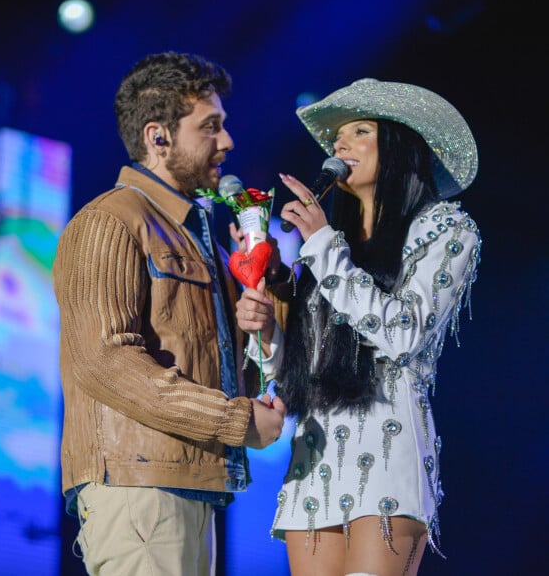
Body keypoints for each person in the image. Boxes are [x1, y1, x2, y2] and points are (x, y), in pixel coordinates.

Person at [52, 51, 287, 576]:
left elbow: (220, 368)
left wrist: (263, 319)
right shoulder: (108, 221)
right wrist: (236, 419)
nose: (227, 142)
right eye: (211, 127)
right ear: (158, 137)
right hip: (138, 488)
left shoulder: (193, 236)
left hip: (186, 482)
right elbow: (105, 361)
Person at [236, 78, 481, 576]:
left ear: (397, 145)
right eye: (337, 137)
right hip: (315, 454)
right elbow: (299, 369)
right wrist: (264, 332)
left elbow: (404, 333)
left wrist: (323, 244)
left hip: (389, 455)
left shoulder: (447, 228)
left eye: (360, 132)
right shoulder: (328, 246)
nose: (340, 145)